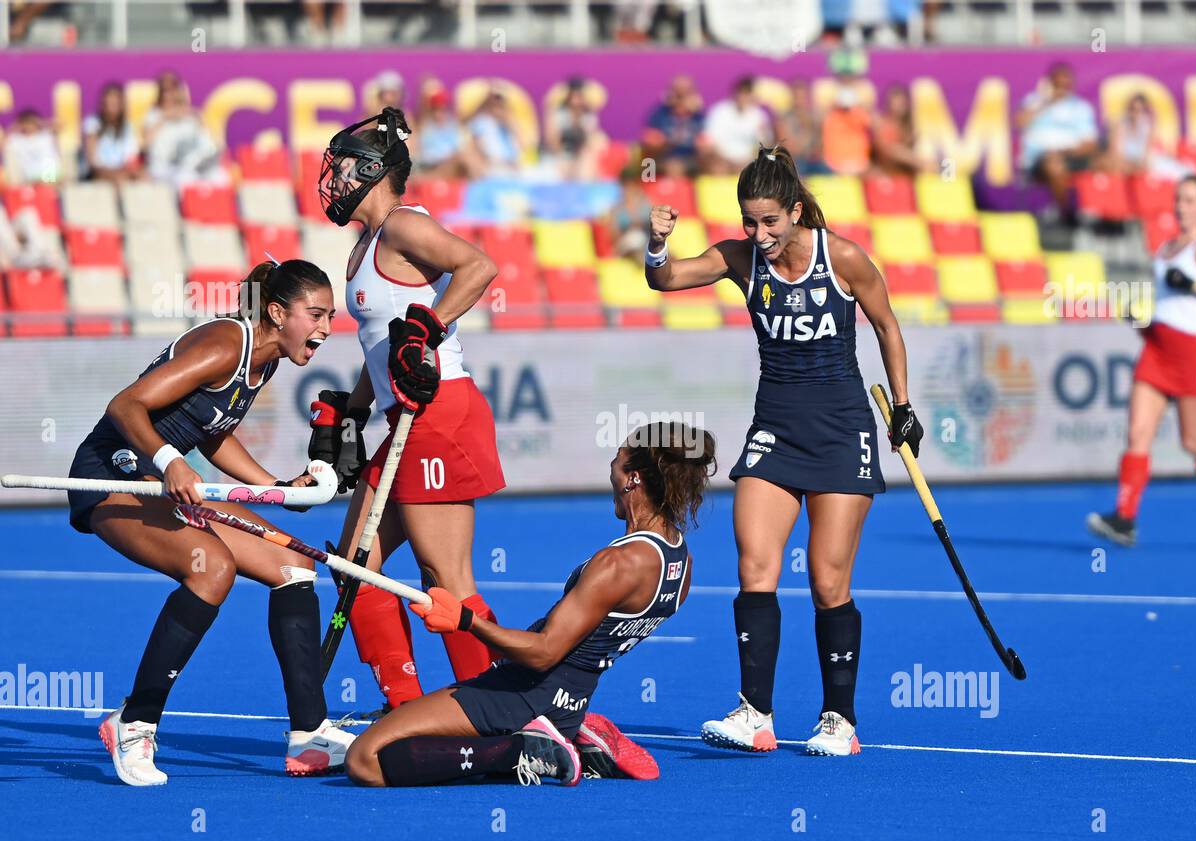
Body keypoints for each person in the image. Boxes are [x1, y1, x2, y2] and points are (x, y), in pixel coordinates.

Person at [645, 145, 923, 756]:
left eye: (770, 221)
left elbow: (887, 325)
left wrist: (902, 406)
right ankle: (755, 714)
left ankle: (838, 721)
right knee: (755, 568)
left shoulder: (841, 257)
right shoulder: (739, 259)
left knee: (827, 581)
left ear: (797, 212)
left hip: (842, 432)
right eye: (750, 221)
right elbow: (664, 279)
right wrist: (657, 242)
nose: (759, 233)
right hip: (774, 430)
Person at [65, 260, 354, 786]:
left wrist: (277, 489)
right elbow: (125, 406)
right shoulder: (227, 344)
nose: (326, 328)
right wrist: (169, 460)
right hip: (111, 475)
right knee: (211, 567)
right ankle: (134, 722)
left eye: (330, 315)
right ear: (276, 311)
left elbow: (214, 432)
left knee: (293, 566)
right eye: (315, 314)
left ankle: (309, 735)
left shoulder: (265, 362)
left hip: (159, 477)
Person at [344, 424, 716, 787]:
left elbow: (543, 653)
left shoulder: (619, 564)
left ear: (633, 478)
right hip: (570, 703)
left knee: (366, 758)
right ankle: (565, 738)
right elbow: (587, 644)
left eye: (616, 462)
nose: (610, 473)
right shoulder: (680, 564)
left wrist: (465, 620)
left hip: (525, 695)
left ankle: (521, 750)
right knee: (430, 742)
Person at [315, 107, 506, 711]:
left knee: (445, 581)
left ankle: (493, 705)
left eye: (344, 167)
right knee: (354, 567)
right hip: (403, 417)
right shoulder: (363, 247)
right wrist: (352, 410)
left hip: (441, 411)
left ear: (374, 169)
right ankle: (405, 704)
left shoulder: (401, 227)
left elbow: (478, 266)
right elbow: (385, 348)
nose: (334, 178)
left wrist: (430, 327)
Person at [1088, 175, 1196, 550]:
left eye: (1191, 200)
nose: (1182, 206)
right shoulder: (1165, 247)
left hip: (1195, 352)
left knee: (1193, 441)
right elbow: (1168, 303)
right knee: (1137, 433)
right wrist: (1142, 321)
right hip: (1159, 348)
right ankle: (1125, 518)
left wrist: (1193, 285)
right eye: (1179, 199)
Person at [1015, 62, 1099, 223]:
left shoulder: (1081, 107)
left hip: (1072, 156)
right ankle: (1067, 214)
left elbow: (1090, 143)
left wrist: (1065, 152)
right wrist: (1046, 101)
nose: (1061, 88)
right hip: (1039, 161)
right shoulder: (1034, 102)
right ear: (1048, 83)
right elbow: (1020, 123)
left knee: (1107, 163)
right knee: (1054, 164)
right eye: (1057, 84)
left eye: (1065, 84)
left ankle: (1108, 217)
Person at [1094, 93, 1193, 181]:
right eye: (1132, 109)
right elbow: (1115, 153)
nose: (1135, 113)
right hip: (1126, 163)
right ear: (1128, 109)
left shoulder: (1147, 125)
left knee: (1176, 171)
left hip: (1144, 162)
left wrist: (1140, 165)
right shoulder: (1120, 124)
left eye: (1140, 110)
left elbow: (1147, 154)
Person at [698, 77, 772, 175]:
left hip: (747, 161)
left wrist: (748, 161)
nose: (743, 97)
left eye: (747, 93)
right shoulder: (719, 112)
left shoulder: (759, 116)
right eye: (741, 93)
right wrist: (724, 160)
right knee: (718, 169)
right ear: (735, 93)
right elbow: (709, 141)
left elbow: (765, 145)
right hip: (722, 159)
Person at [641, 74, 705, 178]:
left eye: (685, 92)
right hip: (665, 155)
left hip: (690, 157)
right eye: (678, 92)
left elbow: (704, 140)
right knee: (648, 159)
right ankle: (648, 184)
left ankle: (701, 188)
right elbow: (649, 136)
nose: (681, 97)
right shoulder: (660, 112)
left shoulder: (698, 116)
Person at [544, 77, 607, 181]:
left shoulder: (588, 116)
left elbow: (590, 140)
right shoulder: (558, 115)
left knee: (598, 143)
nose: (577, 101)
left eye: (580, 97)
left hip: (581, 158)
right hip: (561, 156)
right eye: (574, 96)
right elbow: (552, 142)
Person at [81, 82, 141, 183]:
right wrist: (113, 173)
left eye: (115, 103)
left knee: (143, 176)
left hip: (122, 171)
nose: (112, 106)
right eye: (109, 103)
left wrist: (127, 171)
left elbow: (131, 157)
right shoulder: (92, 123)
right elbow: (93, 161)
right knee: (118, 180)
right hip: (97, 172)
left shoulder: (128, 127)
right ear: (103, 104)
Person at [871, 83, 934, 178]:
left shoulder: (911, 125)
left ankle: (948, 185)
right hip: (890, 177)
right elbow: (890, 150)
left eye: (902, 103)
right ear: (889, 104)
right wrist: (918, 161)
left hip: (912, 176)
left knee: (947, 165)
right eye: (896, 103)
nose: (899, 106)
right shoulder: (884, 124)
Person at [820, 75, 872, 176]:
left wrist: (860, 107)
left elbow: (873, 126)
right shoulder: (830, 116)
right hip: (834, 166)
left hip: (859, 165)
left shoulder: (860, 114)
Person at [466, 88, 523, 178]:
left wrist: (509, 124)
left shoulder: (510, 122)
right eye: (494, 103)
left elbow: (523, 145)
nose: (497, 106)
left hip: (512, 166)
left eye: (500, 103)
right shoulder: (481, 122)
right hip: (493, 167)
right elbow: (476, 148)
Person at [4, 108, 62, 185]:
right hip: (29, 179)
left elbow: (59, 125)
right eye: (25, 123)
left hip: (50, 178)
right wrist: (17, 124)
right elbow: (4, 137)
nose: (29, 126)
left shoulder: (46, 135)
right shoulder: (16, 140)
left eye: (31, 122)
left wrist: (40, 122)